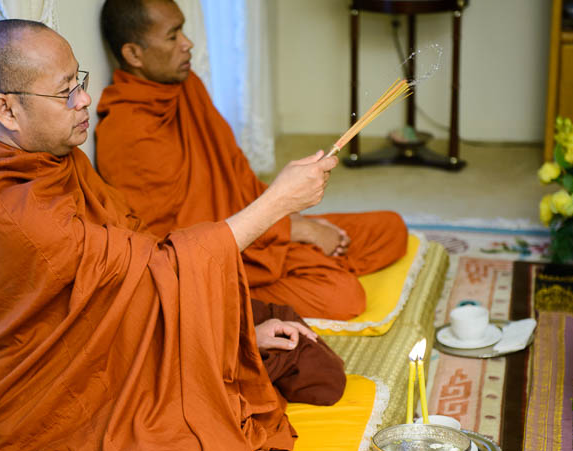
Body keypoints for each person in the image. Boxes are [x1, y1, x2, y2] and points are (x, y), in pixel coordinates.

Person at [0, 19, 340, 451]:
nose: (84, 101)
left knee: (303, 366)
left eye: (80, 82)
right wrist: (278, 202)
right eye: (66, 92)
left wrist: (231, 330)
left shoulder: (51, 158)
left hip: (98, 346)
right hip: (36, 400)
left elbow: (131, 261)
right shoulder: (12, 207)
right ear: (7, 109)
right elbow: (158, 269)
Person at [95, 0, 409, 321]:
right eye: (173, 36)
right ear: (134, 54)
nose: (187, 44)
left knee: (392, 228)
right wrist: (293, 230)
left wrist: (292, 221)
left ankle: (308, 262)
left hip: (261, 231)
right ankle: (255, 289)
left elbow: (236, 176)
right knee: (344, 298)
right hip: (222, 261)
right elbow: (177, 248)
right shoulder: (127, 131)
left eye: (184, 31)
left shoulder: (186, 86)